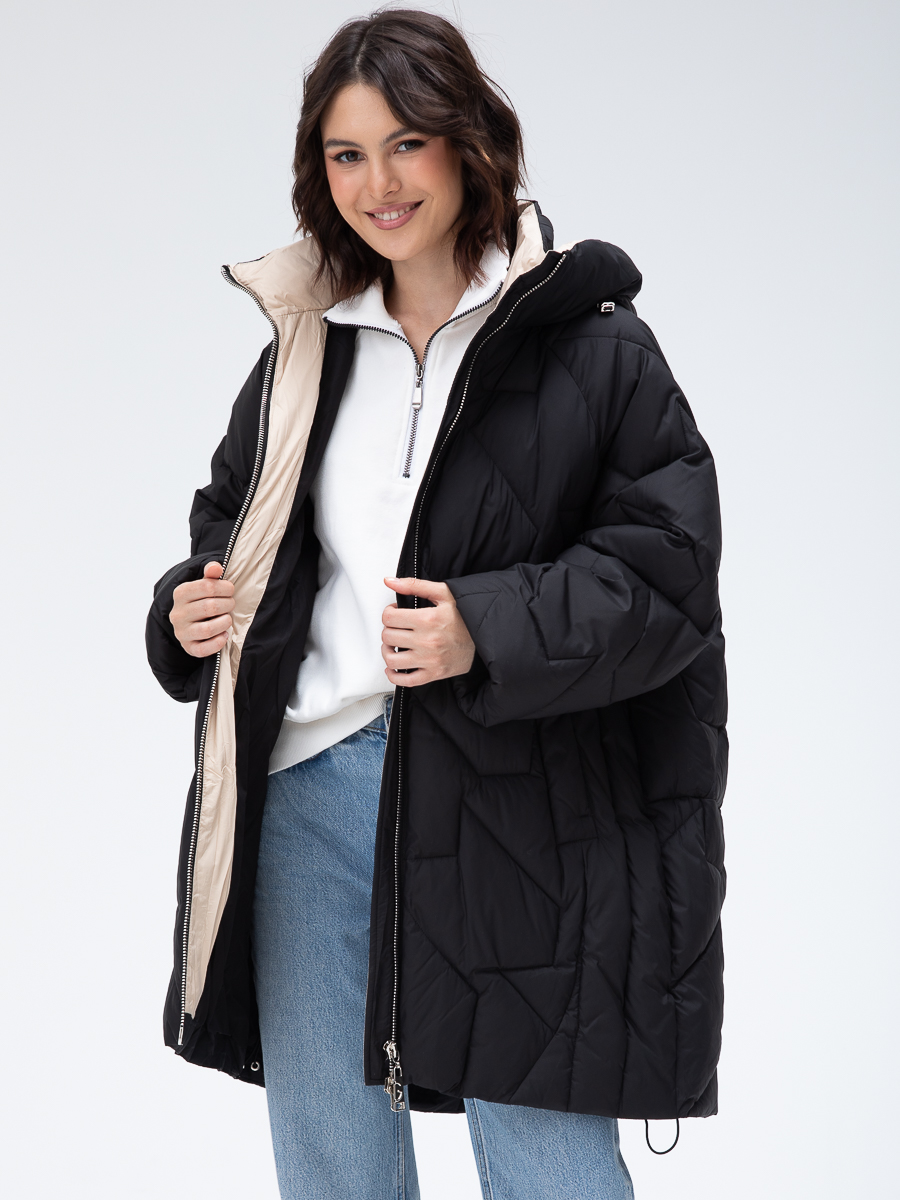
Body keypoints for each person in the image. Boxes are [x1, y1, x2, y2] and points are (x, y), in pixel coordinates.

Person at [145, 9, 727, 1199]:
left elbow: (668, 571)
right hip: (307, 795)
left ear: (470, 142)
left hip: (524, 808)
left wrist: (483, 627)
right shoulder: (309, 348)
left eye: (407, 143)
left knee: (550, 1164)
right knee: (333, 1167)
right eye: (347, 154)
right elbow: (232, 519)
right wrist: (187, 609)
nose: (380, 184)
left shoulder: (596, 351)